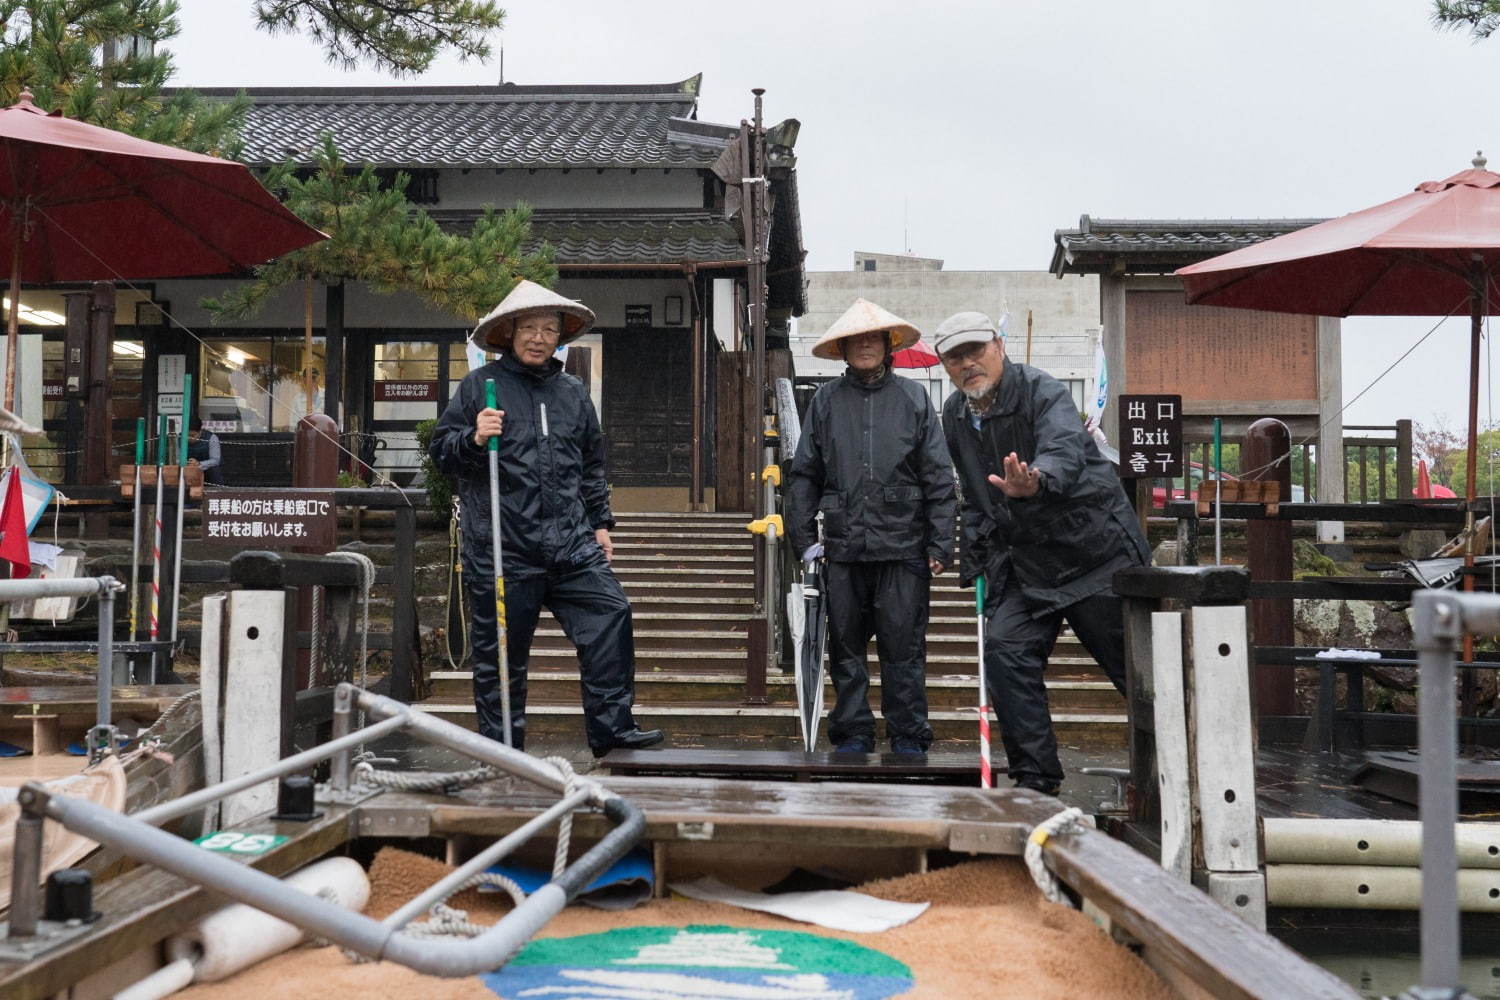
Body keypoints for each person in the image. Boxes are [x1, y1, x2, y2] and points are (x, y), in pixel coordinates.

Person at [428, 279, 663, 757]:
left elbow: (591, 466)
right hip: (502, 547)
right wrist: (473, 437)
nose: (539, 337)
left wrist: (600, 524)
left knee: (610, 615)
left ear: (561, 336)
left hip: (571, 544)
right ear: (511, 333)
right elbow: (441, 454)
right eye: (530, 327)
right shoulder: (480, 387)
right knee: (501, 660)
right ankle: (504, 750)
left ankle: (613, 733)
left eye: (549, 329)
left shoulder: (573, 392)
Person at [935, 311, 1149, 794]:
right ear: (943, 365)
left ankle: (1178, 763)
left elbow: (1064, 451)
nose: (969, 363)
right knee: (1006, 652)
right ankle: (1035, 779)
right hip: (1024, 561)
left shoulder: (1042, 390)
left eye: (977, 350)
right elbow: (974, 495)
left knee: (1136, 671)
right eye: (955, 357)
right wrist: (975, 561)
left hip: (1094, 552)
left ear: (999, 346)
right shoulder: (953, 415)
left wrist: (1036, 480)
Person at [787, 298, 957, 755]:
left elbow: (938, 474)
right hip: (843, 547)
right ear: (842, 350)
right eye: (855, 340)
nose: (864, 346)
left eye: (872, 338)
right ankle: (853, 731)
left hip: (903, 546)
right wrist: (803, 541)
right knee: (845, 648)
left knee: (904, 649)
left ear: (888, 345)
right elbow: (805, 474)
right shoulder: (825, 401)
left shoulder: (914, 398)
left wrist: (942, 541)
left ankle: (907, 733)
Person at [186, 416, 222, 486]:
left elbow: (215, 460)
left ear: (200, 431)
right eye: (187, 435)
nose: (189, 438)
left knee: (214, 470)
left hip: (207, 471)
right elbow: (177, 458)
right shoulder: (179, 437)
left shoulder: (212, 437)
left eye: (193, 435)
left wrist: (199, 464)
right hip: (187, 469)